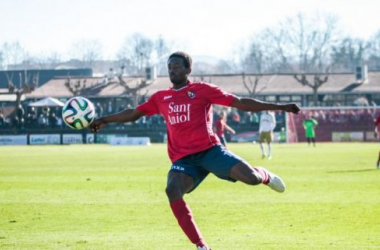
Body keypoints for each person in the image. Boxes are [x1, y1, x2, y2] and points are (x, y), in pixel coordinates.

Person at [90, 52, 301, 250]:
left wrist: (280, 107)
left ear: (188, 70)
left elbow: (241, 103)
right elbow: (134, 113)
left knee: (252, 179)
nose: (172, 70)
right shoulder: (161, 97)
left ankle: (264, 175)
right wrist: (104, 120)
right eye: (169, 67)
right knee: (172, 190)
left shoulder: (203, 90)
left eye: (176, 67)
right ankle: (201, 246)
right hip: (184, 160)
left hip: (211, 151)